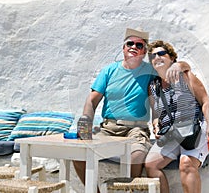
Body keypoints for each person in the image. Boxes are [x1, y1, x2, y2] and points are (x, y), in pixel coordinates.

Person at [73, 28, 191, 185]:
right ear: (123, 48)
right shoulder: (109, 71)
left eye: (139, 45)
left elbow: (177, 65)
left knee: (136, 156)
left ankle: (130, 189)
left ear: (143, 52)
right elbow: (92, 100)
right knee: (78, 155)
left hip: (136, 130)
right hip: (108, 129)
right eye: (130, 43)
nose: (134, 47)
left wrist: (179, 65)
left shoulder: (150, 71)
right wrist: (85, 125)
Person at [145, 40, 209, 193]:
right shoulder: (153, 87)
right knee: (151, 165)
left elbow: (205, 101)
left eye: (161, 53)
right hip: (172, 134)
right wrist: (156, 124)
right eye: (153, 56)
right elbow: (156, 113)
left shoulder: (184, 75)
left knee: (186, 163)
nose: (157, 57)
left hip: (194, 130)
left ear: (171, 57)